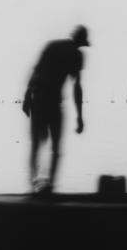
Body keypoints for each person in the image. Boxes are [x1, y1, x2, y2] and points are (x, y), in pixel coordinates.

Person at [22, 25, 89, 193]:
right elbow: (77, 86)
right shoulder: (76, 54)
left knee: (37, 144)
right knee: (55, 147)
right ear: (81, 41)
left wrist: (27, 96)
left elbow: (36, 72)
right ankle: (49, 185)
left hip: (38, 100)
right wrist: (80, 117)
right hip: (52, 103)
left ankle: (34, 184)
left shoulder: (51, 45)